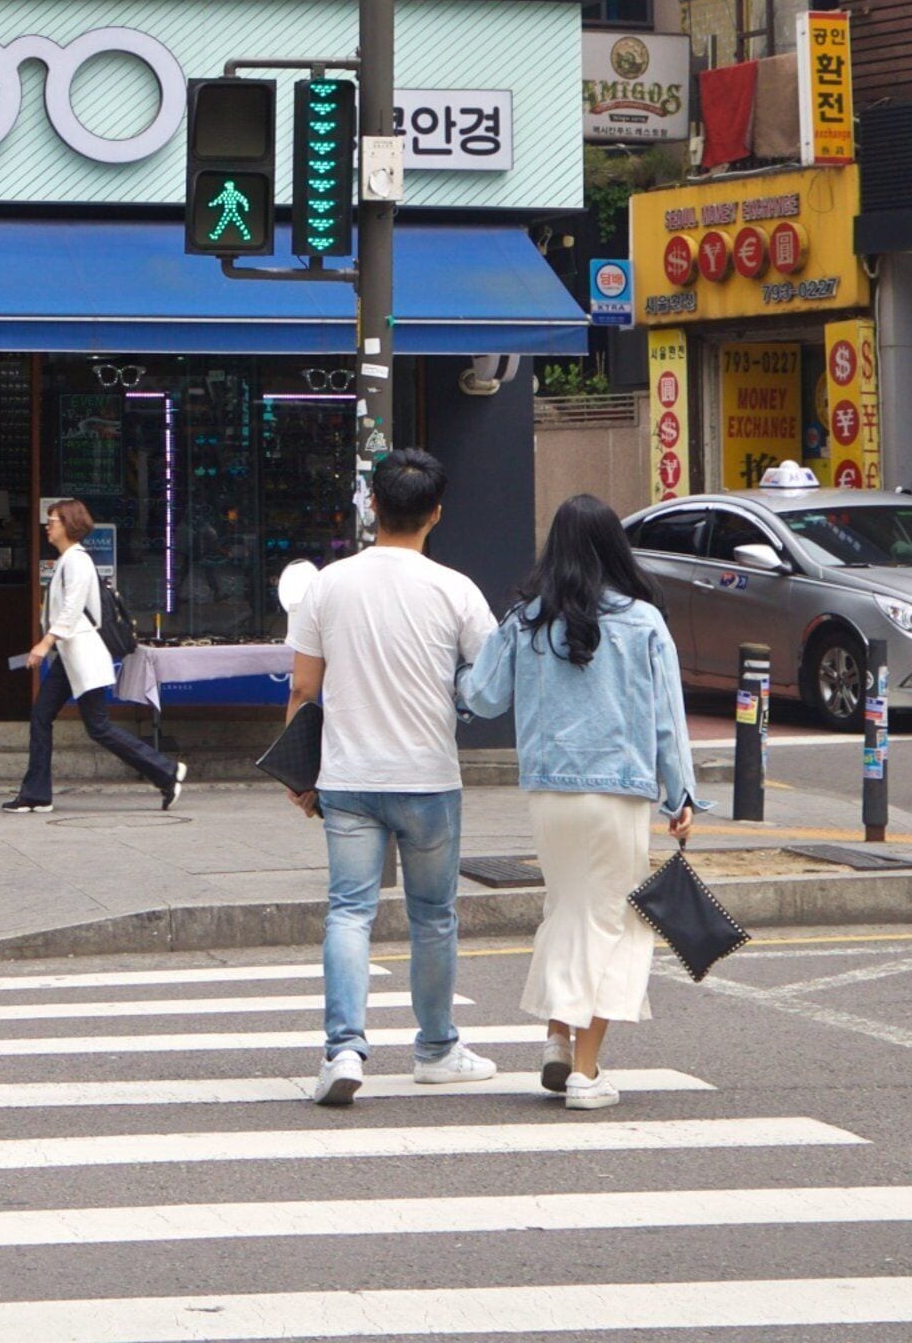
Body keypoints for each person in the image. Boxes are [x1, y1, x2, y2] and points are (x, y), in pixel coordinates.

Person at [462, 495, 699, 1111]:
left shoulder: (525, 620)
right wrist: (681, 794)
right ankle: (587, 1075)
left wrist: (450, 669)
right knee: (616, 922)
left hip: (549, 793)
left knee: (567, 907)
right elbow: (667, 720)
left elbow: (482, 698)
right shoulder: (644, 621)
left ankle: (558, 1036)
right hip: (618, 793)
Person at [282, 447, 497, 1106]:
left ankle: (343, 1050)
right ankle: (435, 1049)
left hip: (347, 775)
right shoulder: (456, 589)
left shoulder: (327, 584)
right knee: (433, 917)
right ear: (435, 513)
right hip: (428, 776)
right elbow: (490, 685)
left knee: (349, 912)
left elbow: (302, 687)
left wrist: (299, 774)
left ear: (371, 504)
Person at [7, 497, 187, 814]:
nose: (48, 526)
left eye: (54, 520)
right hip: (70, 656)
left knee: (98, 727)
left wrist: (44, 643)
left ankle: (166, 771)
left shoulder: (76, 560)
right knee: (42, 717)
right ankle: (36, 793)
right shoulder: (69, 559)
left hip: (82, 656)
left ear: (69, 524)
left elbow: (72, 609)